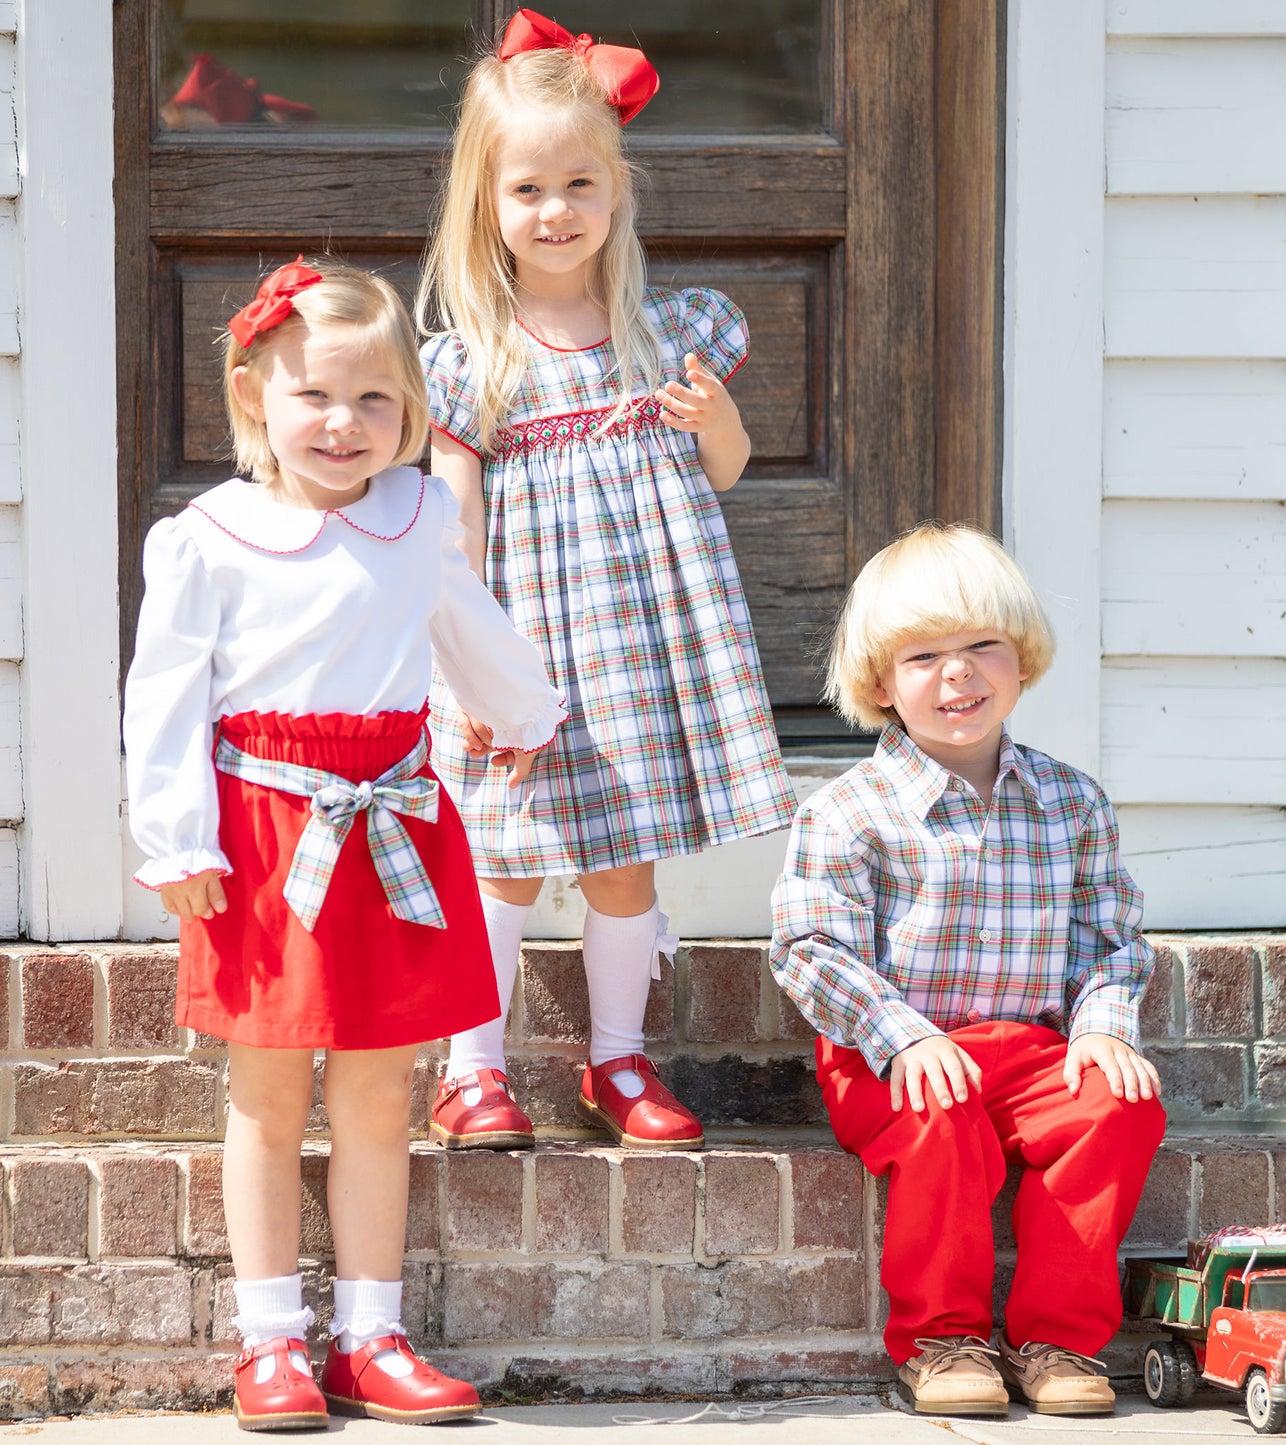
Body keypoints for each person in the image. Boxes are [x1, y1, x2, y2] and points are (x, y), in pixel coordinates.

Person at [123, 257, 567, 1431]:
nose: (343, 422)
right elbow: (163, 694)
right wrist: (174, 838)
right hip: (262, 840)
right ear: (252, 394)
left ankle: (373, 1332)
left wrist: (520, 710)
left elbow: (460, 620)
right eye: (314, 394)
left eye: (375, 399)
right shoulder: (210, 535)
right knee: (268, 1099)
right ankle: (269, 1339)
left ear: (410, 409)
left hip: (396, 828)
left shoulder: (419, 511)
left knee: (380, 1097)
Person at [416, 10, 795, 1154]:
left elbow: (720, 472)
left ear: (617, 189)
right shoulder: (471, 360)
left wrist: (716, 420)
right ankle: (471, 1067)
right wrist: (472, 668)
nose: (555, 209)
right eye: (527, 189)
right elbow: (453, 522)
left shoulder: (661, 335)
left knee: (620, 862)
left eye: (579, 182)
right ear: (486, 202)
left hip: (635, 640)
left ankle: (618, 1059)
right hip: (520, 641)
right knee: (502, 860)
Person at [769, 523, 1165, 1419]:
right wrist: (899, 1034)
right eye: (924, 656)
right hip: (888, 1056)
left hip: (1027, 1054)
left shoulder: (1069, 800)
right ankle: (942, 1337)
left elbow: (1110, 936)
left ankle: (1056, 1340)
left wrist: (1102, 1023)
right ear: (880, 683)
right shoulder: (847, 811)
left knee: (1120, 1101)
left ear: (1020, 659)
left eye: (983, 646)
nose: (958, 674)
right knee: (939, 1113)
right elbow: (809, 948)